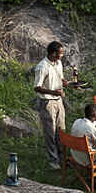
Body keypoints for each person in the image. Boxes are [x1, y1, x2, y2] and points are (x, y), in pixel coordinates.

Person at [31, 41, 66, 169]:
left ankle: (63, 157)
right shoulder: (42, 67)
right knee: (50, 132)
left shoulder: (58, 63)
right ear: (53, 53)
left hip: (58, 100)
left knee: (61, 130)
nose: (62, 55)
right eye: (60, 53)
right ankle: (53, 160)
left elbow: (60, 79)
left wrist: (68, 84)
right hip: (47, 102)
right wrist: (53, 92)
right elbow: (37, 87)